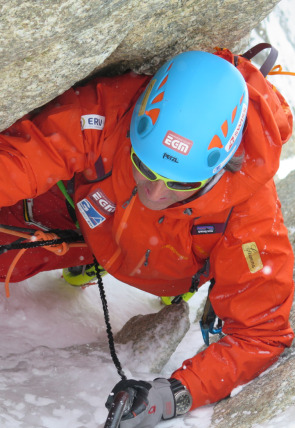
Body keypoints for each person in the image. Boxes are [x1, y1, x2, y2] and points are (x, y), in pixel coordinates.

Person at [0, 48, 294, 426]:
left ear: (224, 167)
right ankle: (89, 258)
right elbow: (23, 159)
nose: (154, 194)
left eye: (181, 183)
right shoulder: (111, 110)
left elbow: (261, 335)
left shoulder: (248, 214)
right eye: (143, 166)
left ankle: (169, 280)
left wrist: (171, 396)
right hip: (90, 216)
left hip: (168, 259)